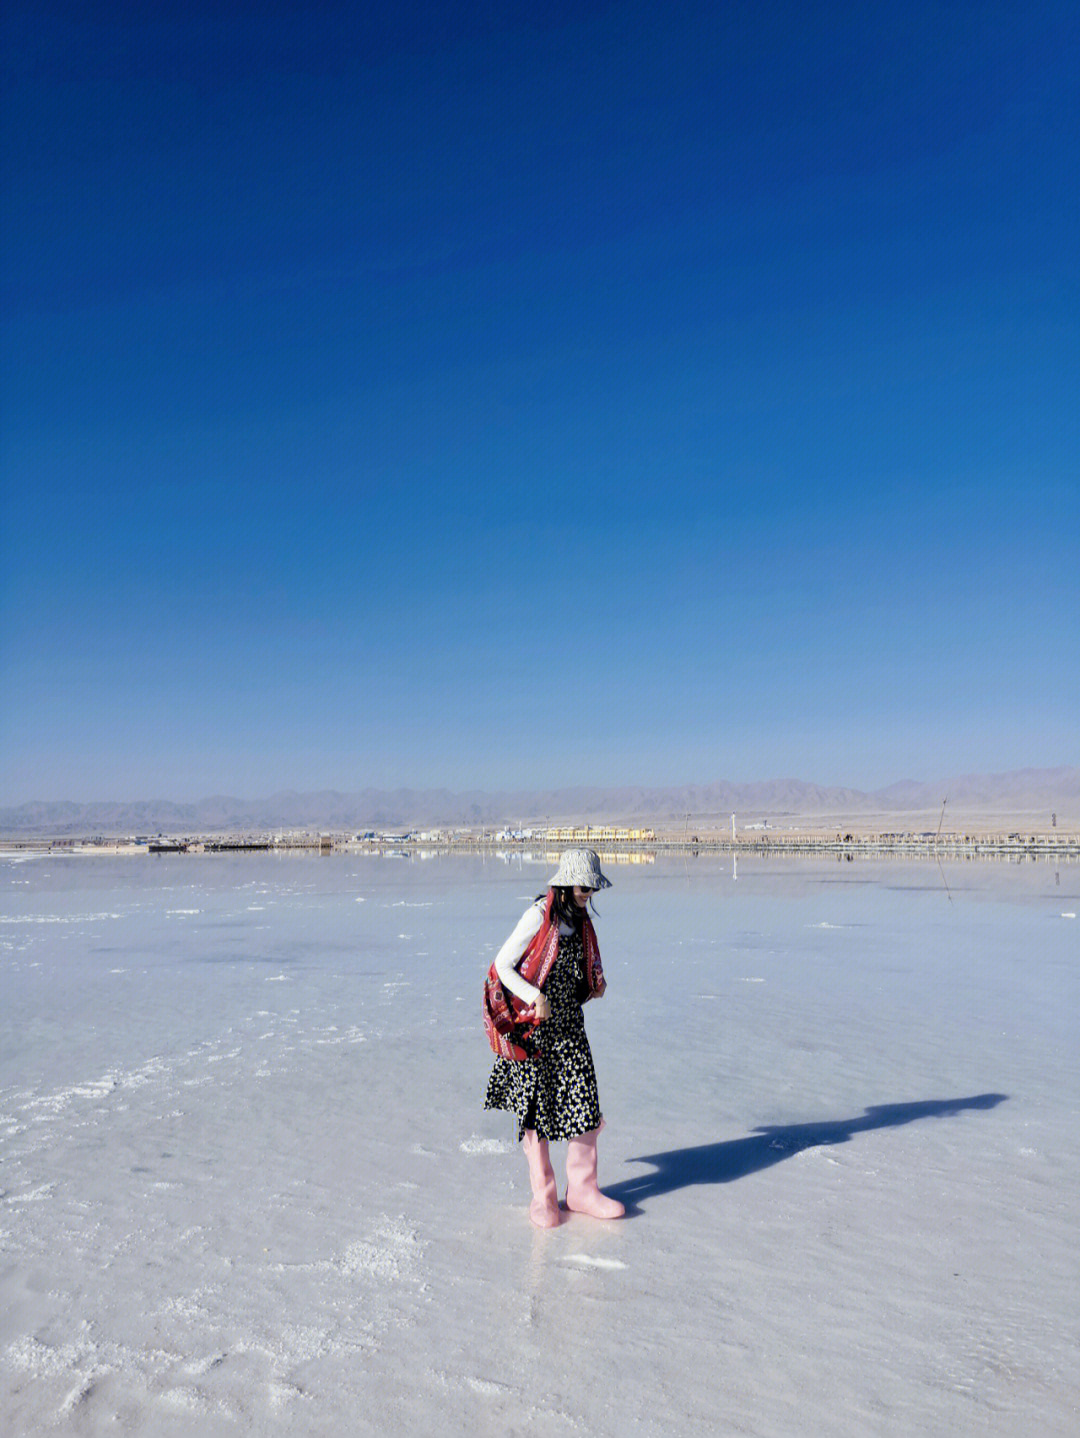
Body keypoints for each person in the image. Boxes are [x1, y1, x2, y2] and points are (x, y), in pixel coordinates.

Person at [483, 848, 625, 1227]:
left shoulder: (579, 921)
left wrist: (595, 983)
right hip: (534, 1030)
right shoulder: (537, 915)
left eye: (593, 890)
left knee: (585, 1106)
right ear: (565, 883)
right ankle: (543, 1197)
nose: (588, 895)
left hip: (570, 1026)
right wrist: (535, 996)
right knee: (537, 1113)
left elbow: (582, 963)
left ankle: (581, 1191)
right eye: (584, 887)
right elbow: (502, 966)